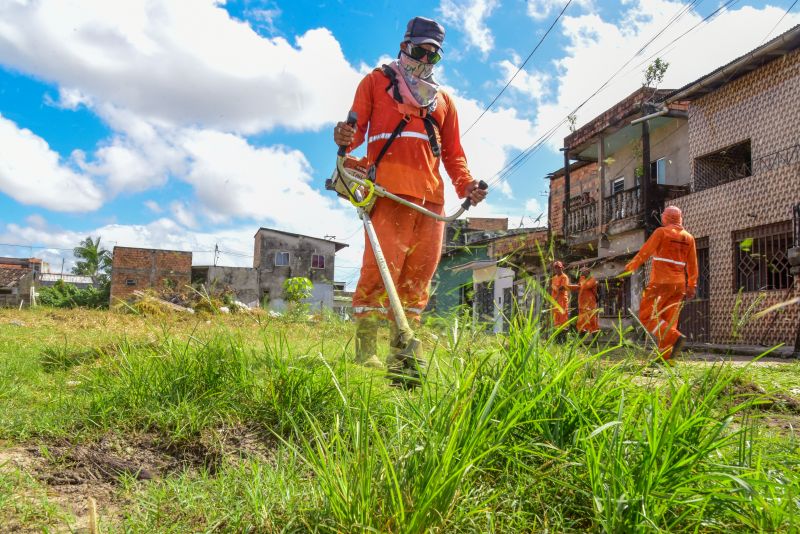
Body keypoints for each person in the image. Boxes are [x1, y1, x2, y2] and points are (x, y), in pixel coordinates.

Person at [333, 16, 487, 372]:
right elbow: (353, 134)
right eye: (420, 51)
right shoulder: (376, 82)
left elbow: (454, 154)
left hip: (431, 203)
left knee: (418, 279)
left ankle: (401, 355)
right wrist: (342, 137)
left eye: (434, 56)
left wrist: (467, 186)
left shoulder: (444, 101)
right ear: (405, 46)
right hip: (387, 194)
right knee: (379, 271)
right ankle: (366, 350)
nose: (424, 60)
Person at [624, 206, 698, 363]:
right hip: (679, 285)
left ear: (667, 218)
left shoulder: (661, 232)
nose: (662, 217)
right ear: (679, 218)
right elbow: (693, 264)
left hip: (660, 283)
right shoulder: (689, 238)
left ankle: (675, 337)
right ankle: (666, 359)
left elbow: (645, 251)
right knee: (668, 320)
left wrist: (630, 266)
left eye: (663, 214)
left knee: (646, 315)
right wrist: (692, 285)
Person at [571, 266, 599, 334]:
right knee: (580, 323)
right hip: (582, 304)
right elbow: (579, 286)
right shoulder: (582, 278)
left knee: (592, 322)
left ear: (588, 272)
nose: (581, 273)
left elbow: (585, 286)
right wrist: (568, 286)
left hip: (590, 305)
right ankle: (581, 342)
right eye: (581, 271)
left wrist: (580, 282)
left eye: (583, 271)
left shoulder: (593, 280)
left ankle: (595, 342)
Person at [550, 261, 571, 335]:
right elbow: (554, 289)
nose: (557, 269)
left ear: (562, 268)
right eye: (555, 267)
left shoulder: (564, 277)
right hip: (555, 301)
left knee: (563, 318)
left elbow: (562, 288)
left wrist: (556, 296)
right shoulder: (554, 278)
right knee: (556, 318)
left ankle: (564, 337)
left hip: (562, 300)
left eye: (559, 267)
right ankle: (557, 337)